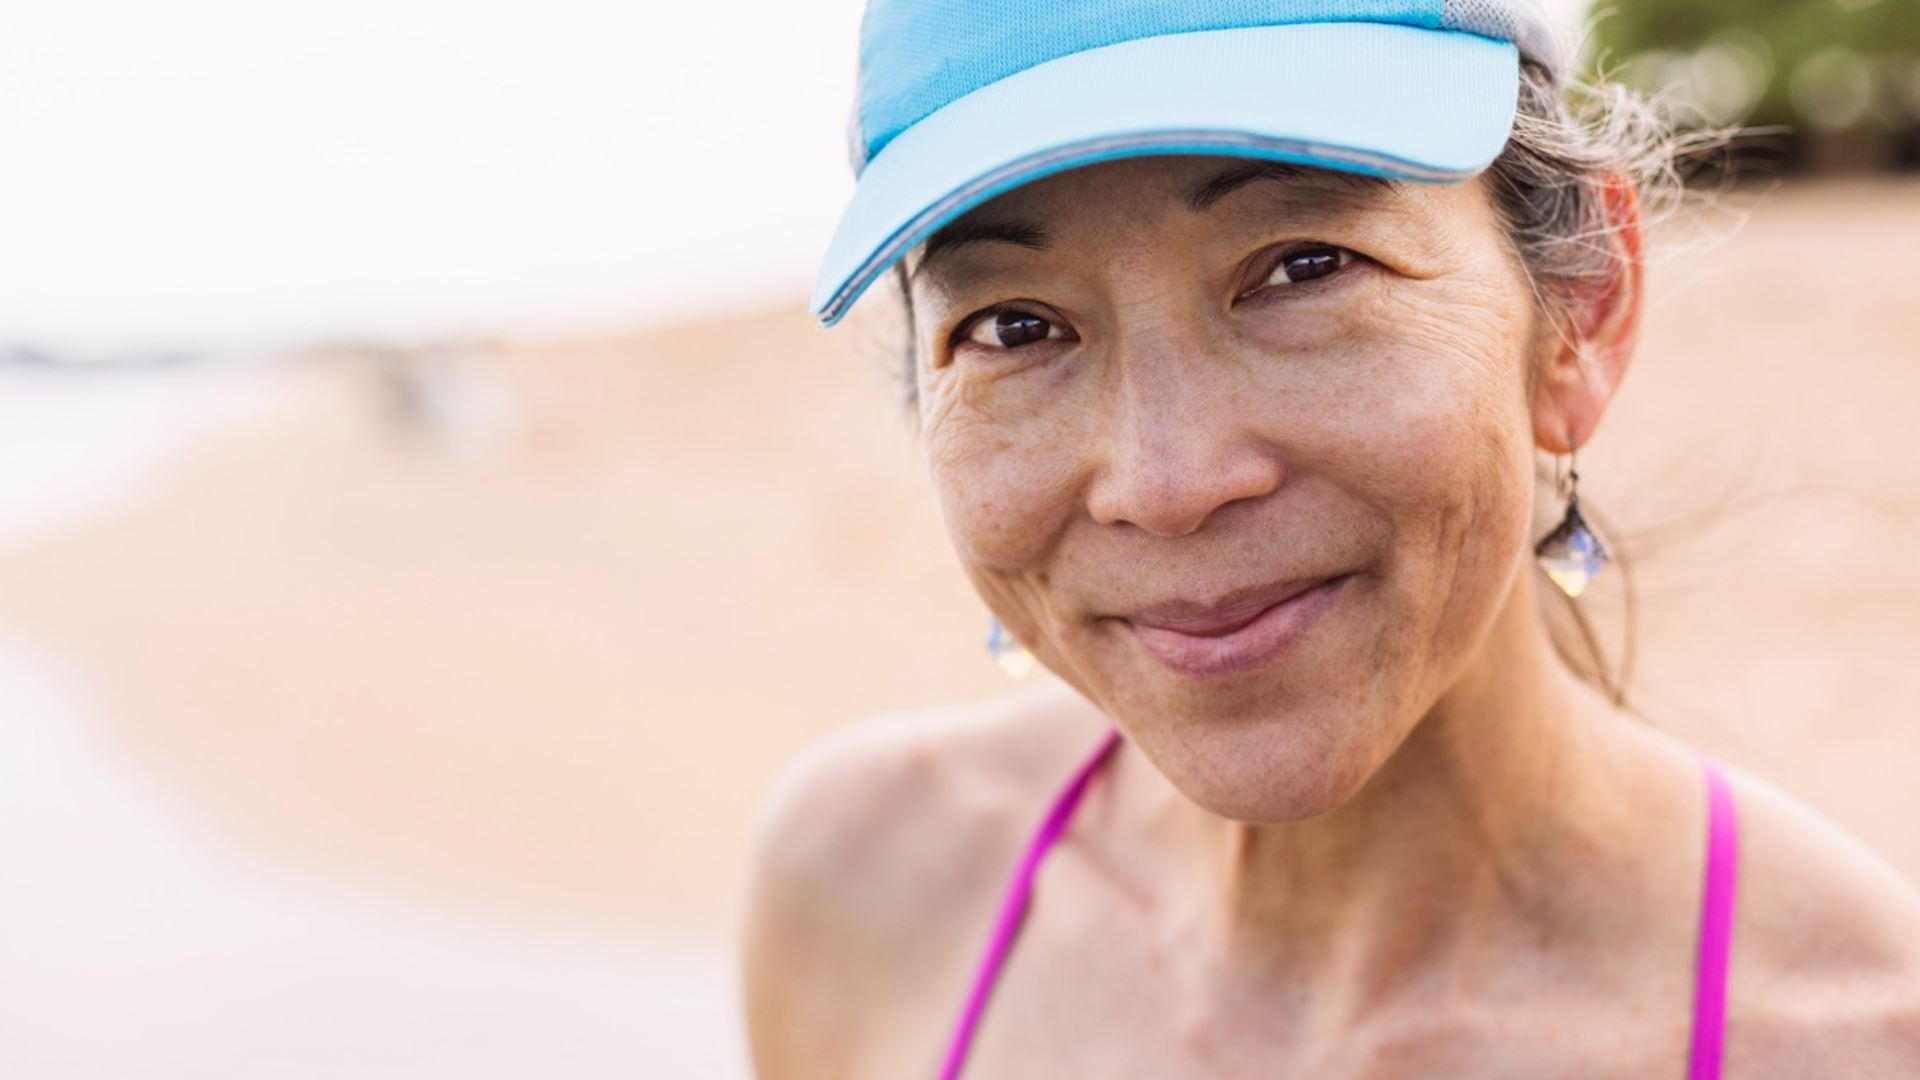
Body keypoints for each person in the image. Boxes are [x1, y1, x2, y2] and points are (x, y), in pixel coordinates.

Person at [741, 2, 1920, 1077]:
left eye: (1302, 268)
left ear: (1581, 308)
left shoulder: (1855, 1043)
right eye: (1016, 326)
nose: (1165, 485)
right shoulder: (868, 890)